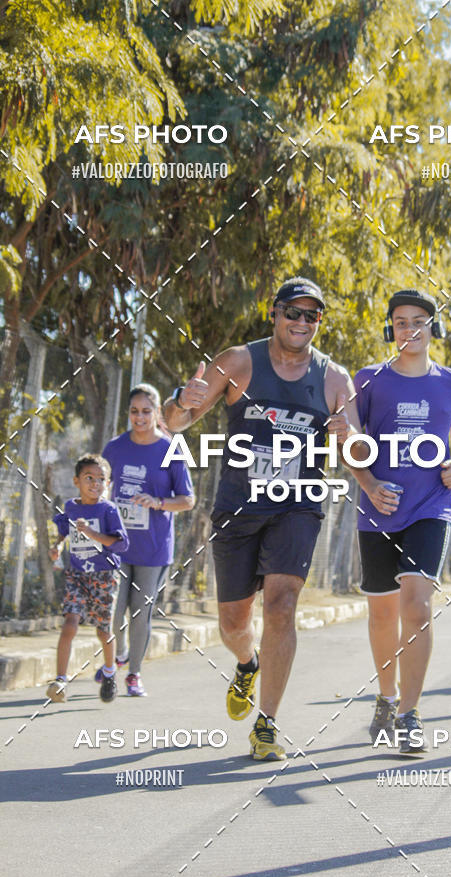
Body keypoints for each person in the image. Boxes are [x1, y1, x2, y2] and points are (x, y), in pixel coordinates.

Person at [164, 277, 358, 761]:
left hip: (298, 505)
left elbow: (357, 451)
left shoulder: (335, 379)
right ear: (274, 313)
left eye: (312, 315)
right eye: (293, 311)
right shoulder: (237, 362)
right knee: (233, 622)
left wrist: (347, 433)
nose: (301, 322)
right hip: (238, 507)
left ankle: (267, 724)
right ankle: (246, 663)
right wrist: (180, 401)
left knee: (281, 605)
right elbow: (175, 422)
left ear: (319, 322)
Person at [350, 289, 451, 752]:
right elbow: (349, 443)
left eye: (418, 320)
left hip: (430, 506)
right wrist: (367, 484)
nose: (410, 329)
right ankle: (386, 696)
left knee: (417, 607)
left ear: (432, 327)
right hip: (378, 510)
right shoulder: (369, 380)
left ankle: (410, 713)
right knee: (383, 613)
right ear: (391, 329)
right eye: (400, 322)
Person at [102, 384, 194, 696]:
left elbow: (187, 500)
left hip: (153, 548)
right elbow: (100, 489)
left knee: (140, 612)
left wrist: (157, 502)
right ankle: (120, 652)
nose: (139, 417)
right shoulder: (114, 448)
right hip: (116, 545)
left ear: (157, 414)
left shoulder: (171, 449)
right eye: (134, 411)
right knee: (113, 612)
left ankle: (134, 674)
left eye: (146, 411)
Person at [47, 454, 129, 703]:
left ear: (108, 483)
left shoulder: (108, 509)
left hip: (104, 577)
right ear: (76, 481)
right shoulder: (71, 507)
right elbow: (64, 531)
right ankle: (60, 680)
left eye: (101, 479)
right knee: (69, 623)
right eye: (89, 478)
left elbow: (121, 543)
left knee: (103, 632)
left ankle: (109, 672)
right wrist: (58, 547)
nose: (95, 483)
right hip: (77, 575)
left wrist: (92, 533)